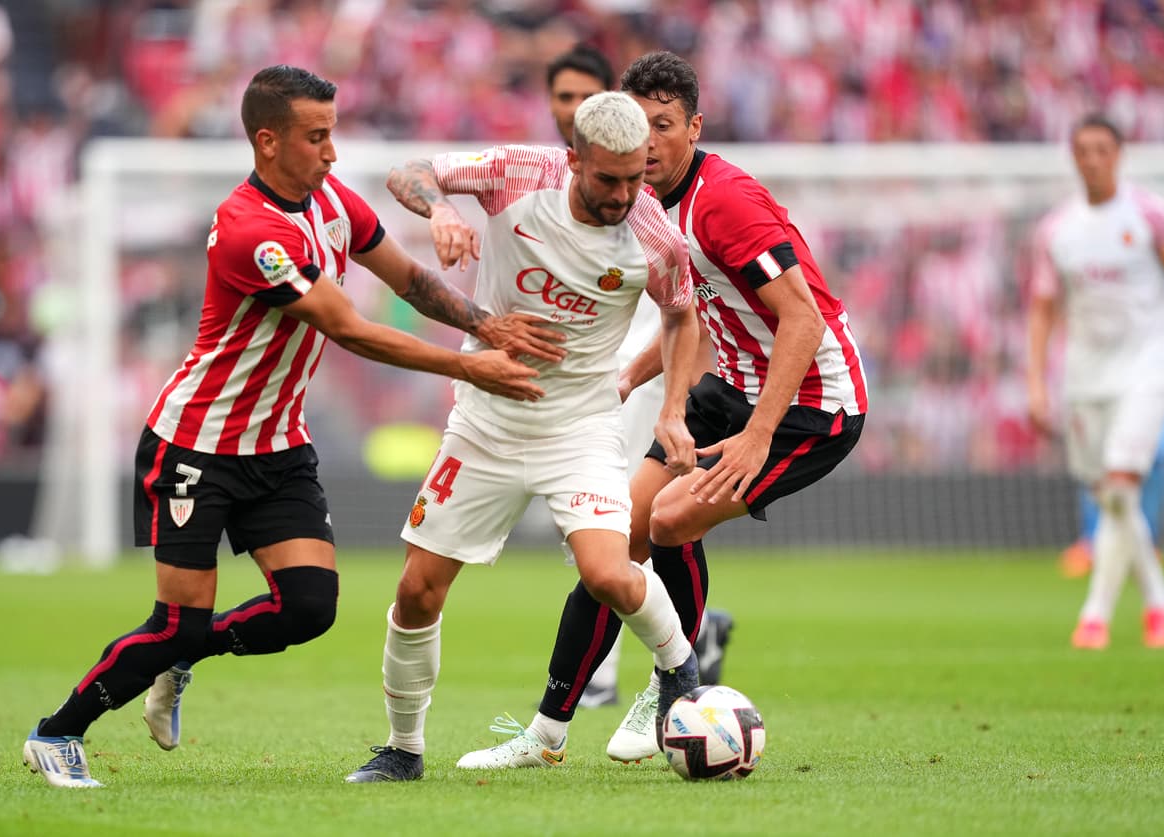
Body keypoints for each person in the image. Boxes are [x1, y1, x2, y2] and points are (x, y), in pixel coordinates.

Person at [21, 65, 562, 789]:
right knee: (176, 618)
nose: (332, 152)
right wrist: (470, 367)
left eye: (332, 133)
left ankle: (180, 657)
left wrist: (485, 322)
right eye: (317, 136)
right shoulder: (252, 232)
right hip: (197, 445)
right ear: (268, 141)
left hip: (278, 444)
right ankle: (57, 733)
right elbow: (348, 328)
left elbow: (406, 279)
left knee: (309, 607)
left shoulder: (332, 199)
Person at [467, 50, 868, 769]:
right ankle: (546, 732)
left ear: (694, 127)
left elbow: (802, 321)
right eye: (640, 123)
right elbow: (695, 316)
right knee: (616, 538)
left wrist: (758, 436)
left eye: (664, 124)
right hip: (735, 385)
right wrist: (630, 380)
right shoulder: (647, 205)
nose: (648, 140)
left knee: (673, 517)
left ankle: (672, 686)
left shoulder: (725, 201)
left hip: (814, 403)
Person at [344, 91, 704, 783]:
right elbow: (409, 171)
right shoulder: (515, 172)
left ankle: (679, 673)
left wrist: (673, 410)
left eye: (636, 178)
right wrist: (443, 209)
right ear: (572, 159)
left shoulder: (655, 235)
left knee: (606, 573)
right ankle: (403, 748)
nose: (624, 193)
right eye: (608, 179)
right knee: (418, 590)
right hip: (486, 423)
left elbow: (682, 318)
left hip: (580, 426)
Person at [544, 43, 734, 710]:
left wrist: (651, 387)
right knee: (631, 524)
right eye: (561, 99)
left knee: (629, 519)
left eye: (582, 97)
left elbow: (695, 314)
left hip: (671, 379)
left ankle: (655, 670)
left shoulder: (681, 199)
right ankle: (687, 650)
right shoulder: (577, 185)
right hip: (617, 372)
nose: (571, 109)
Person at [1027, 113, 1164, 650]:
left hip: (1148, 369)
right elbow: (1042, 309)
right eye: (1082, 149)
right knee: (1111, 496)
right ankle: (1161, 602)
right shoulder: (1056, 231)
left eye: (1102, 149)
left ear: (1119, 154)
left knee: (1120, 483)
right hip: (1085, 376)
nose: (1092, 159)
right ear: (1072, 156)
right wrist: (1037, 382)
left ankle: (1095, 617)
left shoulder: (1154, 215)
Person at [1057, 279, 1164, 579]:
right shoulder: (1107, 278)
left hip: (1154, 382)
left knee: (1156, 459)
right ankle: (1092, 541)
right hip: (1107, 384)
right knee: (1101, 464)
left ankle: (1146, 543)